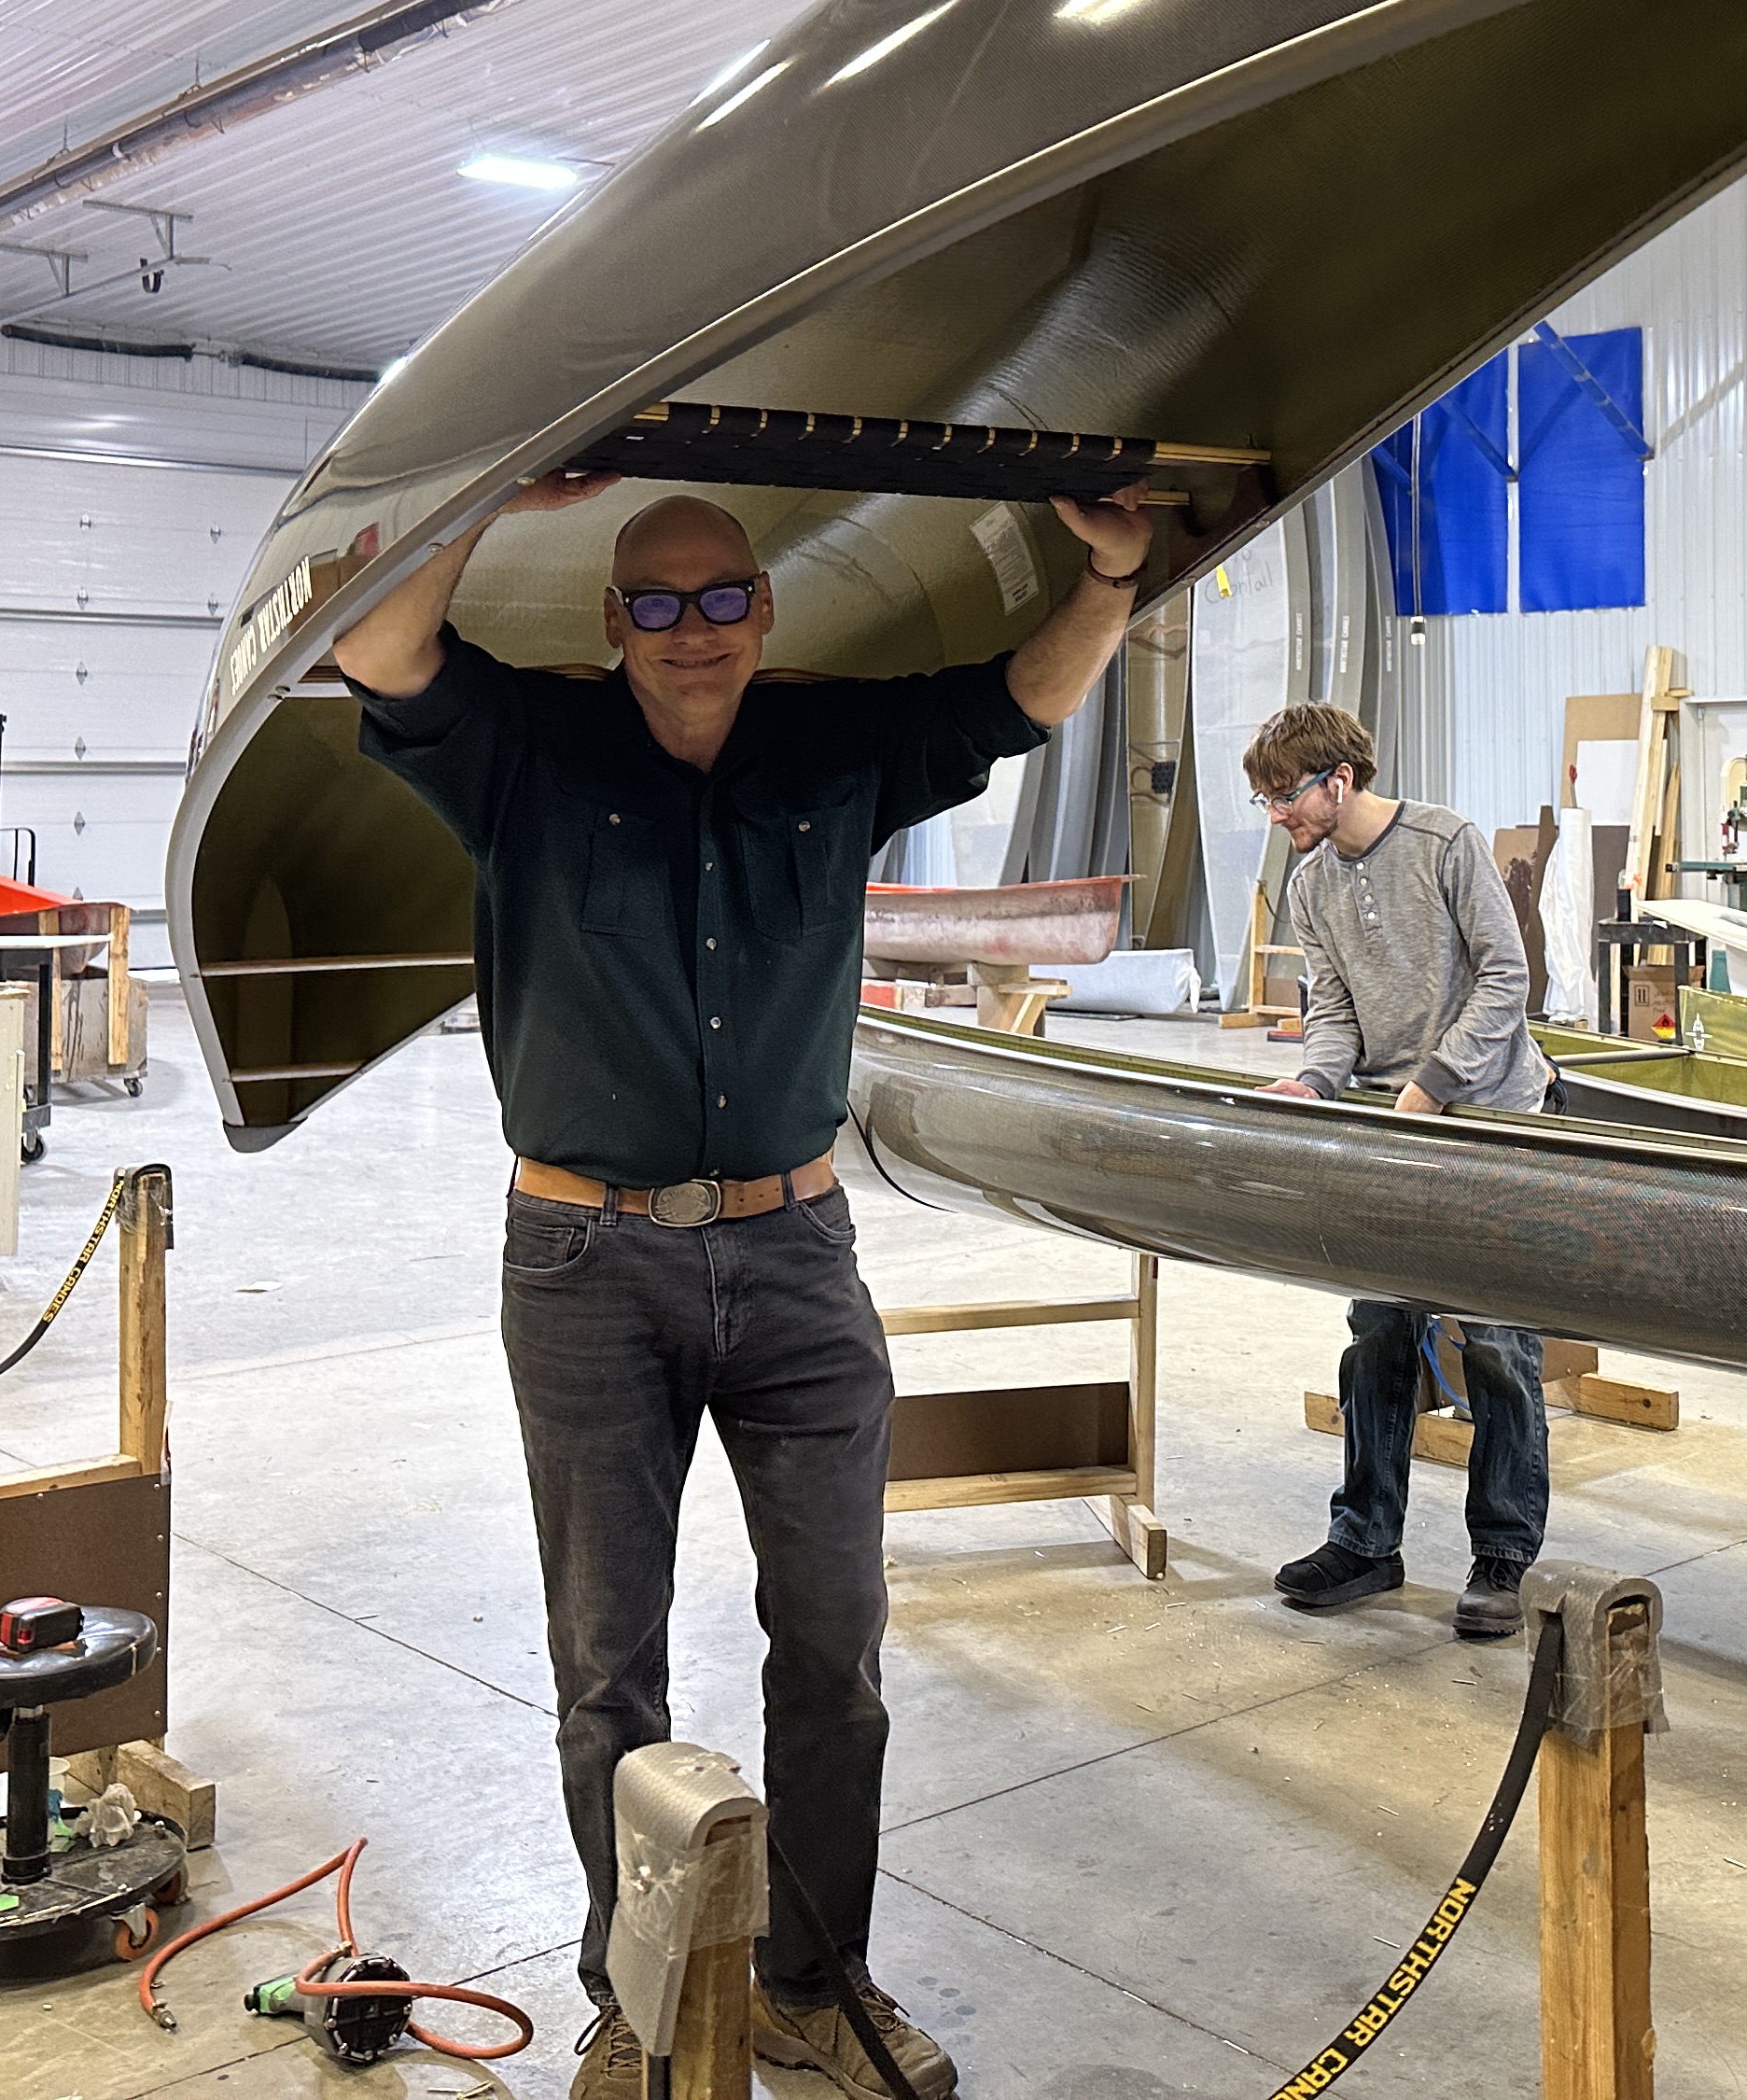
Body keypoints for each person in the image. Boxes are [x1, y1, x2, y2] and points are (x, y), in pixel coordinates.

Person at [337, 471, 1153, 2100]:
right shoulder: (526, 748)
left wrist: (1114, 575)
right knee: (602, 1663)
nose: (693, 627)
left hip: (794, 1250)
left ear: (764, 610)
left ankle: (811, 1982)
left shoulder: (833, 747)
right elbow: (375, 639)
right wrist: (493, 490)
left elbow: (1022, 696)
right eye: (658, 599)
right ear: (613, 620)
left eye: (723, 596)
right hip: (582, 1258)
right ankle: (635, 1998)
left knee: (837, 1646)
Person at [1245, 702, 1557, 1640]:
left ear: (1338, 781)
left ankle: (1501, 1556)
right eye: (1262, 799)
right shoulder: (1309, 886)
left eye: (1284, 796)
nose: (1276, 815)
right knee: (1378, 1331)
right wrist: (1313, 1077)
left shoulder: (1446, 843)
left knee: (1497, 1344)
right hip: (1394, 1125)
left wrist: (1430, 1085)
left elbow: (1508, 980)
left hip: (1492, 1118)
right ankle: (1366, 1542)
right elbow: (1334, 1008)